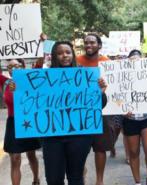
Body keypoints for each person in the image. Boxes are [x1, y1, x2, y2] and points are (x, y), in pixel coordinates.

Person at [39, 41, 107, 185]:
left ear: (73, 55)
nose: (64, 56)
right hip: (52, 137)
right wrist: (17, 89)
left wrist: (99, 93)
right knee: (53, 179)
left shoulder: (85, 75)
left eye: (68, 52)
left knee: (75, 177)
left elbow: (99, 105)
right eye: (60, 53)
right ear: (54, 56)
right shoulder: (44, 77)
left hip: (79, 136)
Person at [76, 33, 114, 185]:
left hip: (101, 111)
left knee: (100, 148)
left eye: (92, 42)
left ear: (99, 45)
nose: (88, 45)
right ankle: (81, 171)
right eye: (86, 43)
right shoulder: (76, 61)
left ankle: (99, 180)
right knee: (79, 148)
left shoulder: (107, 63)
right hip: (80, 111)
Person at [1, 59, 41, 185]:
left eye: (17, 66)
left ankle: (36, 179)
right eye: (10, 66)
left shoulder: (30, 80)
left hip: (28, 121)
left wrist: (41, 41)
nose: (13, 68)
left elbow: (39, 64)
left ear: (23, 67)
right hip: (13, 122)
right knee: (15, 158)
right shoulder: (5, 82)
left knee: (31, 154)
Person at [122, 49, 147, 185]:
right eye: (132, 60)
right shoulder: (122, 77)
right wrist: (121, 110)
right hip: (130, 119)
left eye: (138, 60)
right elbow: (116, 98)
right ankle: (137, 182)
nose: (135, 63)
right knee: (133, 152)